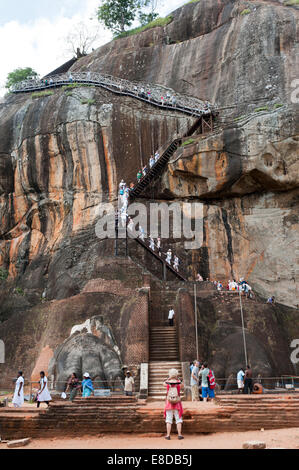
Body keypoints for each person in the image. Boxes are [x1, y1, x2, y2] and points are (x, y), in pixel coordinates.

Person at [163, 369, 184, 440]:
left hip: (169, 403)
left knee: (168, 419)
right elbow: (182, 385)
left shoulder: (168, 383)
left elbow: (163, 384)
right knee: (178, 419)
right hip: (177, 403)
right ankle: (180, 435)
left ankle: (168, 435)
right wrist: (177, 378)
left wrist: (169, 378)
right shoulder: (178, 383)